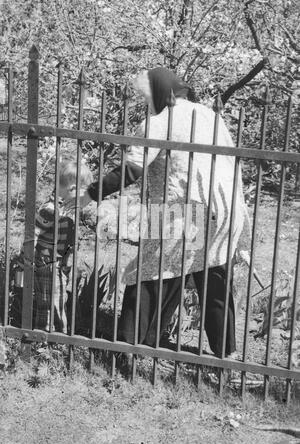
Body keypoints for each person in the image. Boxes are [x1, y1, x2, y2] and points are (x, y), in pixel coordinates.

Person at [84, 67, 250, 357]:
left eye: (144, 96)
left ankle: (131, 345)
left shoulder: (161, 120)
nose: (145, 102)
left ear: (159, 92)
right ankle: (227, 354)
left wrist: (91, 192)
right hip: (224, 208)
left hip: (183, 210)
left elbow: (133, 168)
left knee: (151, 273)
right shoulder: (212, 117)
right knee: (213, 280)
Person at [17, 159, 93, 333]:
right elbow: (33, 234)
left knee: (58, 297)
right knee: (49, 300)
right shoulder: (51, 209)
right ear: (72, 189)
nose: (85, 198)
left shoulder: (68, 208)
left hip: (58, 262)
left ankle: (56, 333)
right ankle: (46, 336)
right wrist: (24, 259)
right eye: (84, 192)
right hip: (46, 261)